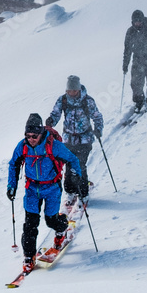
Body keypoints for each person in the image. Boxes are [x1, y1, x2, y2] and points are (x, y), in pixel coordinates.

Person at [7, 113, 82, 271]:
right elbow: (13, 164)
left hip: (52, 188)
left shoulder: (53, 146)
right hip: (32, 189)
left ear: (41, 133)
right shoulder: (22, 146)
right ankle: (28, 256)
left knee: (51, 221)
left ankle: (61, 231)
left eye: (34, 135)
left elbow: (73, 159)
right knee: (30, 224)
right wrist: (11, 186)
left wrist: (76, 176)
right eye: (27, 135)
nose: (31, 139)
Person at [46, 75, 103, 205]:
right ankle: (70, 191)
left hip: (85, 139)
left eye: (73, 90)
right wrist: (51, 121)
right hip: (68, 139)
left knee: (79, 166)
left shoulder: (87, 101)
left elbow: (97, 116)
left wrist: (98, 129)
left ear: (78, 89)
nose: (71, 93)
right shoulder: (63, 100)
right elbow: (56, 114)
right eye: (69, 90)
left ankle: (83, 193)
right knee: (68, 166)